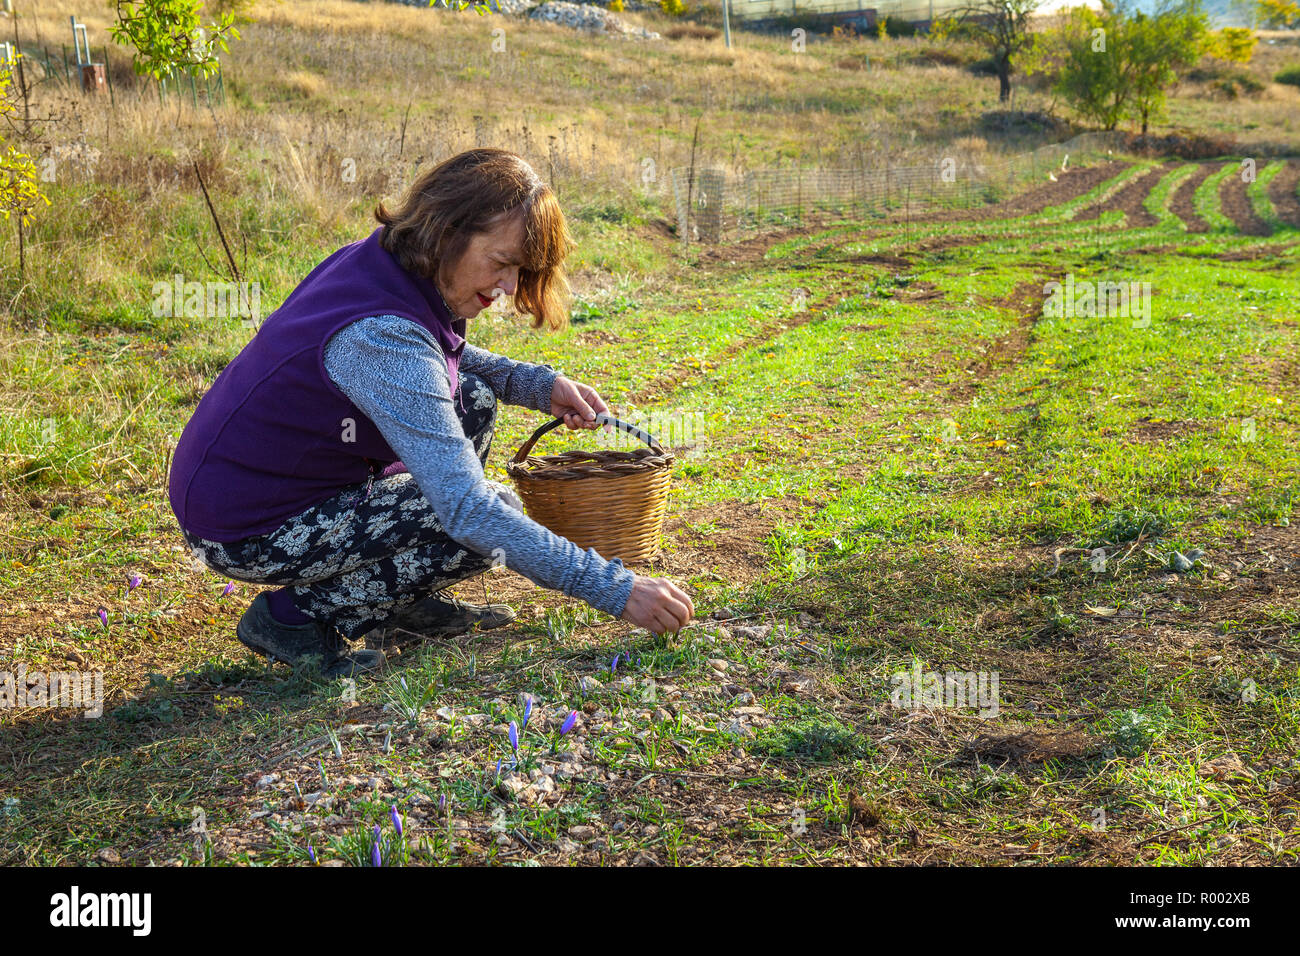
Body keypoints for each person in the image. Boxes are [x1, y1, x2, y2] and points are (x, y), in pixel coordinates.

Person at [167, 148, 694, 678]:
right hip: (246, 523)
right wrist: (616, 589)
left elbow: (432, 357)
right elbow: (466, 508)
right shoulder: (381, 335)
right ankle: (291, 618)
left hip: (274, 486)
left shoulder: (386, 265)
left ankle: (397, 603)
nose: (509, 287)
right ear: (449, 231)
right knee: (488, 519)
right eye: (503, 262)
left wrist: (535, 384)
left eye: (520, 270)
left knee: (476, 402)